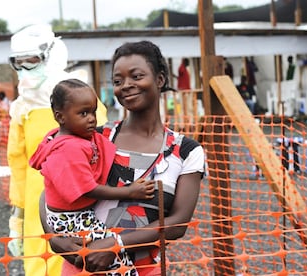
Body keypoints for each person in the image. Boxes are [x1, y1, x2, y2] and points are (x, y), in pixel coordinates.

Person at [44, 40, 205, 275]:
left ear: (160, 79)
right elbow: (52, 191)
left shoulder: (186, 151)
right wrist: (55, 238)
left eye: (137, 76)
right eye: (118, 81)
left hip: (144, 268)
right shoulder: (95, 139)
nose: (126, 86)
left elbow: (178, 222)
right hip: (83, 266)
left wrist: (115, 245)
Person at [6, 24, 108, 276]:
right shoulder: (22, 110)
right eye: (18, 63)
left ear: (52, 56)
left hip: (80, 211)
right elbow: (18, 168)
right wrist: (16, 220)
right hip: (35, 213)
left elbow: (105, 159)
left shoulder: (87, 104)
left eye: (32, 61)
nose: (25, 70)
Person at [30, 78, 156, 275]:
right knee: (111, 256)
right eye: (83, 113)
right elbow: (88, 189)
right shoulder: (69, 149)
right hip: (72, 219)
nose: (92, 119)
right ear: (60, 117)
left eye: (93, 112)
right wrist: (130, 191)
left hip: (70, 216)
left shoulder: (72, 138)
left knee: (113, 255)